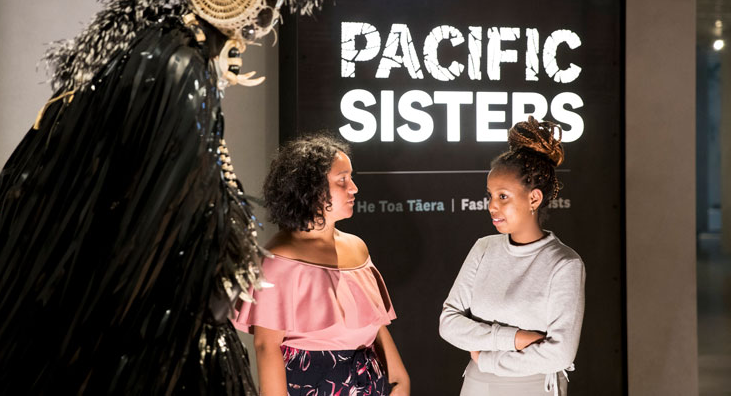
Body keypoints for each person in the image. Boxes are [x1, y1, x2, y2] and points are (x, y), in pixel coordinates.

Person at [0, 0, 341, 395]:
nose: (268, 18)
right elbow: (160, 225)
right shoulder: (175, 68)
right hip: (148, 344)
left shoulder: (157, 55)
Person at [234, 134, 410, 396]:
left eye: (350, 178)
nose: (354, 188)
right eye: (342, 180)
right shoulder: (278, 259)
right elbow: (265, 346)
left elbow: (374, 324)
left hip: (369, 385)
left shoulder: (357, 247)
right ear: (312, 189)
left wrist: (400, 380)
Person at [439, 116, 585, 396]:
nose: (492, 205)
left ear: (534, 199)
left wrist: (488, 357)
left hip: (534, 387)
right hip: (477, 385)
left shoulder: (565, 263)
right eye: (490, 195)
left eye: (503, 196)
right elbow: (449, 324)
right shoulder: (484, 248)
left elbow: (560, 355)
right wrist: (515, 338)